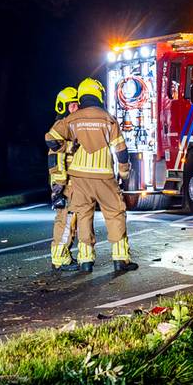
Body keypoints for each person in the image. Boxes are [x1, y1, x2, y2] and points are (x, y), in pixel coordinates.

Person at [45, 78, 137, 273]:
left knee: (83, 216)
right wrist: (124, 172)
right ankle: (120, 259)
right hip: (103, 176)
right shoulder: (108, 118)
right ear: (99, 94)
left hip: (78, 178)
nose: (74, 106)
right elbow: (121, 151)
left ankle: (85, 261)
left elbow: (50, 139)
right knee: (115, 214)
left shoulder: (71, 120)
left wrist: (70, 146)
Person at [48, 87, 83, 270]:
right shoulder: (60, 128)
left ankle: (64, 255)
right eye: (72, 104)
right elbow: (56, 159)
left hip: (73, 182)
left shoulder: (71, 126)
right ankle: (60, 257)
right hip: (66, 184)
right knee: (67, 220)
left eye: (77, 104)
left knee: (71, 220)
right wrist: (59, 186)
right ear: (63, 106)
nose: (76, 108)